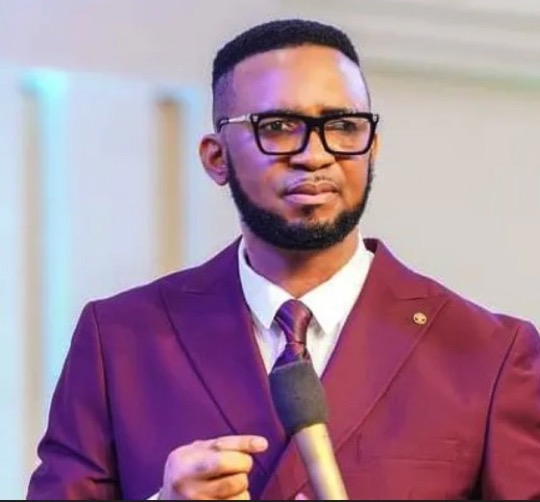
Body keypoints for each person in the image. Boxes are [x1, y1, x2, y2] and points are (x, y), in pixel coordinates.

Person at [26, 18, 540, 500]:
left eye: (343, 125)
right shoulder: (119, 339)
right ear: (216, 157)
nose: (315, 155)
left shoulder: (488, 353)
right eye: (277, 126)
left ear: (372, 147)